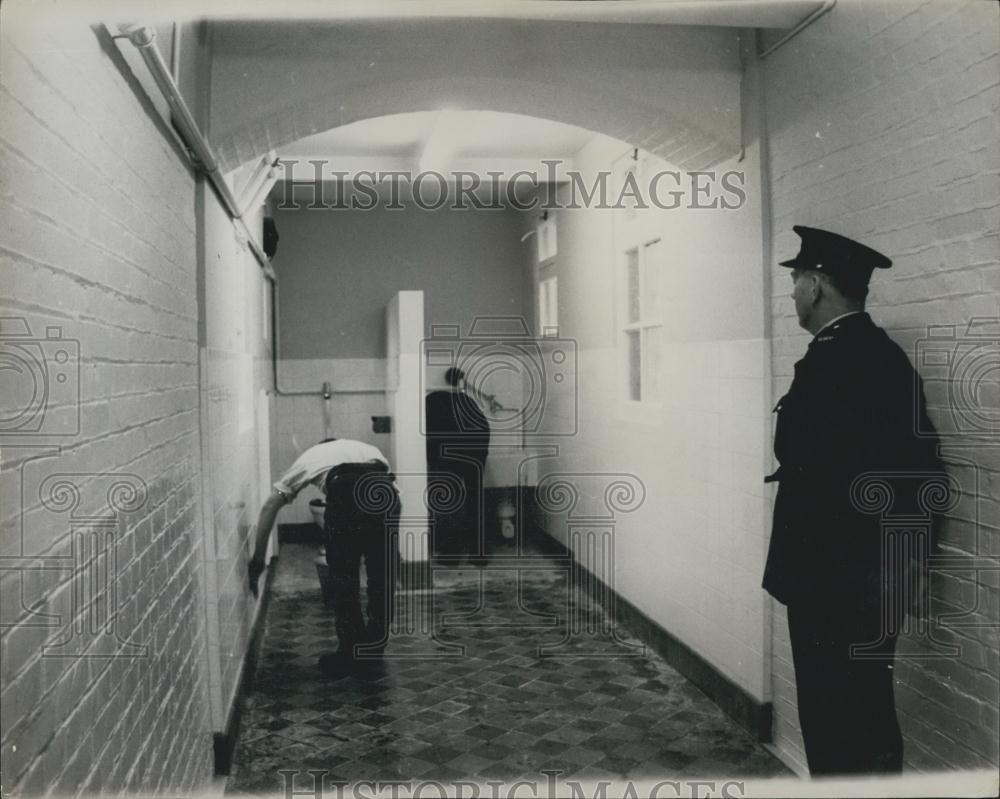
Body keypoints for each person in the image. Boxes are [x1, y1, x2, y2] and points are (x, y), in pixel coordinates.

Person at [762, 225, 946, 776]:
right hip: (854, 578)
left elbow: (914, 470)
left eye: (796, 280)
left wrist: (899, 568)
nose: (793, 292)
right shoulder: (867, 355)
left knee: (840, 718)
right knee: (855, 714)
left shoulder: (848, 358)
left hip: (838, 580)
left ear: (816, 286)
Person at [248, 437, 400, 673]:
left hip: (345, 495)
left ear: (318, 445)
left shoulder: (310, 456)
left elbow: (271, 505)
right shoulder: (369, 449)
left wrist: (258, 558)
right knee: (382, 577)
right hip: (385, 495)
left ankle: (349, 652)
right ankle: (374, 647)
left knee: (344, 579)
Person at [425, 366, 491, 561]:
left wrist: (432, 462)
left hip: (448, 455)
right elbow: (483, 427)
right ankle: (478, 553)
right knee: (475, 499)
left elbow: (428, 436)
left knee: (448, 501)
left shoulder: (430, 402)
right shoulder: (466, 400)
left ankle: (450, 553)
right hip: (475, 451)